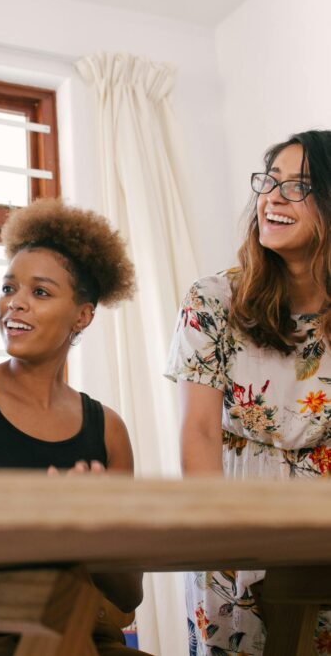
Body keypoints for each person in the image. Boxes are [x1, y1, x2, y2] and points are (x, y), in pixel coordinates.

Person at [0, 199, 146, 656]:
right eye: (8, 287)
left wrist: (96, 529)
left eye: (40, 292)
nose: (14, 302)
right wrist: (42, 524)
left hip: (91, 641)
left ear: (82, 315)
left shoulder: (108, 429)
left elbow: (127, 593)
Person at [166, 130, 331, 655]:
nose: (273, 198)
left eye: (299, 187)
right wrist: (222, 535)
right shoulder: (212, 300)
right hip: (229, 517)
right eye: (270, 181)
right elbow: (197, 431)